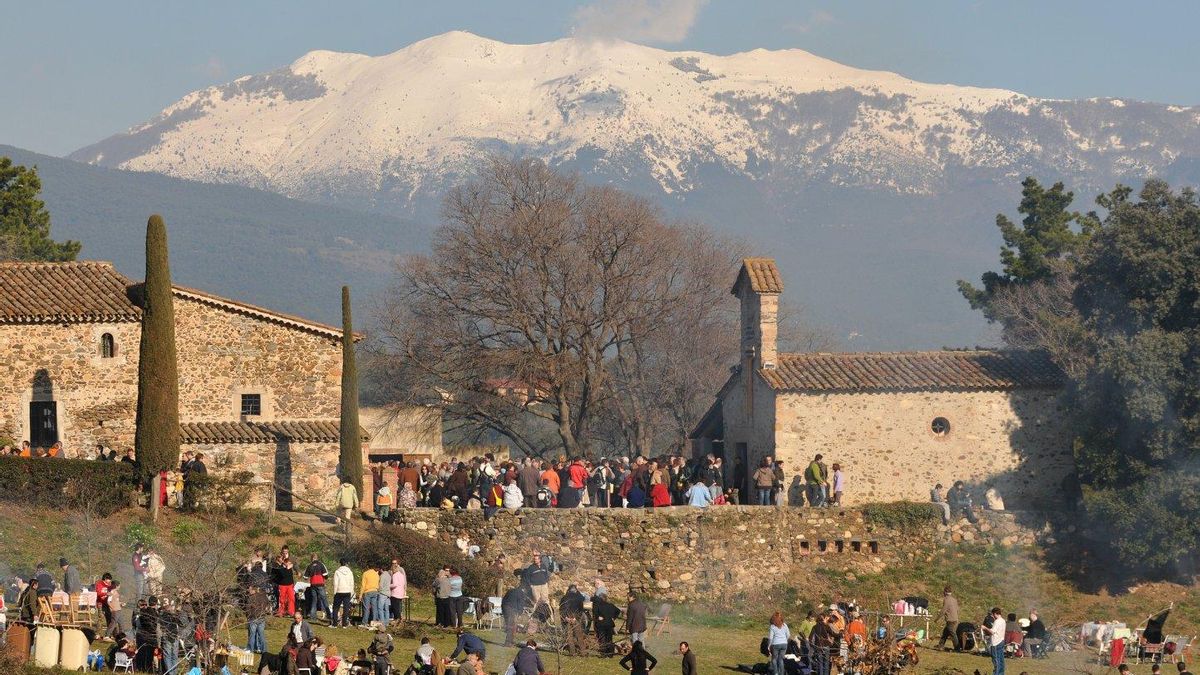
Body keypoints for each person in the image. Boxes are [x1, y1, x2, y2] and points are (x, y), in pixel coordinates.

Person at [593, 591, 622, 657]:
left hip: (601, 624)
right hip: (609, 623)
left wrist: (598, 617)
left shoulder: (598, 605)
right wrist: (613, 617)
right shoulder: (610, 605)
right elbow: (618, 611)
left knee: (602, 639)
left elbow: (595, 613)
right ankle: (610, 653)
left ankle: (604, 653)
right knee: (609, 638)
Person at [935, 585, 961, 651]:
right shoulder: (954, 600)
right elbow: (957, 609)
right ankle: (940, 646)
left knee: (953, 634)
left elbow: (943, 611)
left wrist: (937, 619)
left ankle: (957, 648)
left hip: (950, 620)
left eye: (944, 592)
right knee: (945, 633)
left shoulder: (946, 600)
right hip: (955, 619)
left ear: (945, 592)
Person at [304, 553, 329, 621]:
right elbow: (326, 574)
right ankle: (329, 615)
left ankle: (313, 617)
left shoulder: (309, 565)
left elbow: (305, 577)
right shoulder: (321, 564)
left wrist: (311, 575)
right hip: (320, 584)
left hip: (313, 585)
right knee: (324, 600)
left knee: (314, 600)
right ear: (317, 558)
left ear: (311, 558)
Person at [331, 558, 354, 628]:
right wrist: (351, 592)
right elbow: (352, 582)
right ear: (346, 563)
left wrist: (335, 593)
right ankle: (344, 624)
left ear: (340, 563)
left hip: (339, 591)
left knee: (336, 608)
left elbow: (335, 583)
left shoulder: (337, 571)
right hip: (347, 591)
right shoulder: (350, 572)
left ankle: (334, 624)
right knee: (346, 608)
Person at [245, 586, 269, 653]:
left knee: (252, 635)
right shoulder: (263, 596)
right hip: (262, 617)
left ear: (253, 590)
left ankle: (251, 649)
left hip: (253, 618)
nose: (248, 591)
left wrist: (248, 617)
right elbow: (268, 604)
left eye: (250, 590)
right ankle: (264, 650)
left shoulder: (251, 598)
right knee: (261, 634)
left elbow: (247, 609)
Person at [982, 607, 1006, 675]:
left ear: (995, 614)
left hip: (996, 643)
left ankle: (996, 673)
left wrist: (984, 628)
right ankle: (1001, 673)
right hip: (1001, 641)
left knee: (996, 661)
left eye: (992, 615)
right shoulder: (1003, 620)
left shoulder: (997, 621)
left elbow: (992, 632)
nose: (992, 616)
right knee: (1001, 660)